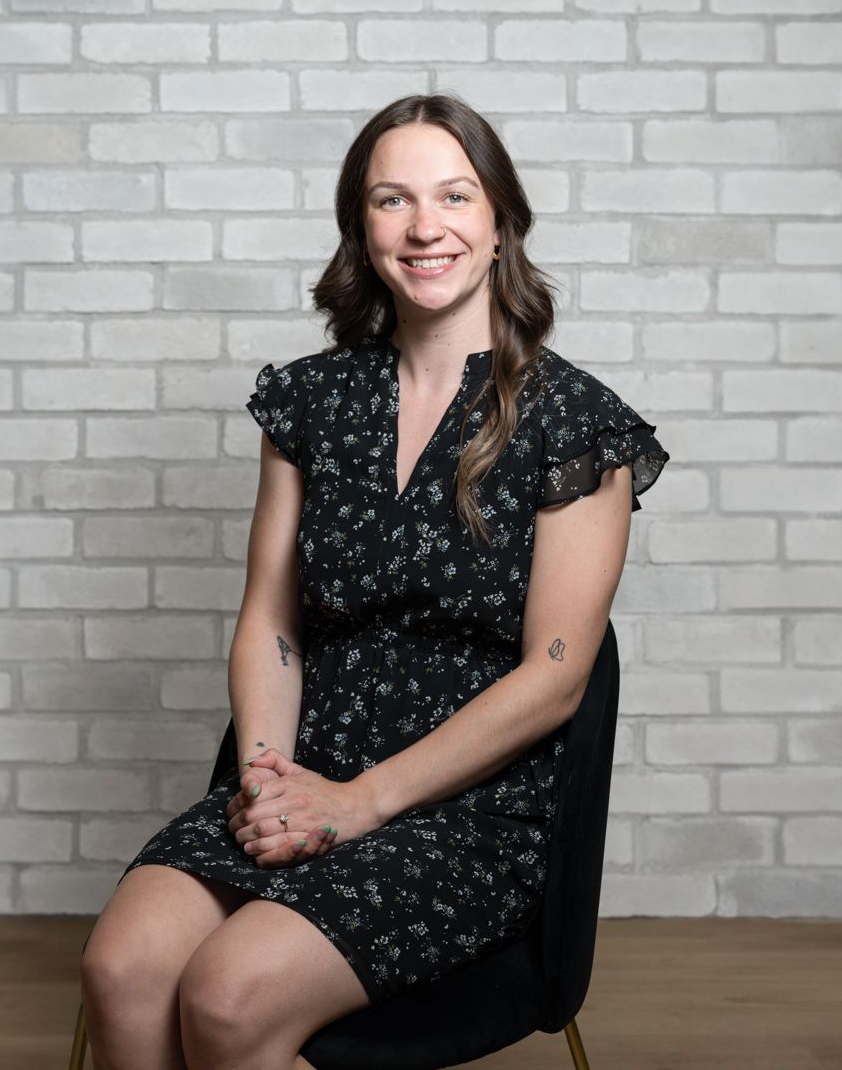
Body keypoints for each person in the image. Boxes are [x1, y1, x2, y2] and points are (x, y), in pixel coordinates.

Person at [80, 93, 669, 1070]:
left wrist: (358, 802)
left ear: (498, 220)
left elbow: (556, 674)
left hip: (463, 809)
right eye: (391, 199)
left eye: (453, 194)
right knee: (121, 966)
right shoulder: (309, 400)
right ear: (360, 226)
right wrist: (269, 778)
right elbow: (270, 620)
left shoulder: (575, 422)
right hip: (299, 771)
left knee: (227, 994)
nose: (424, 224)